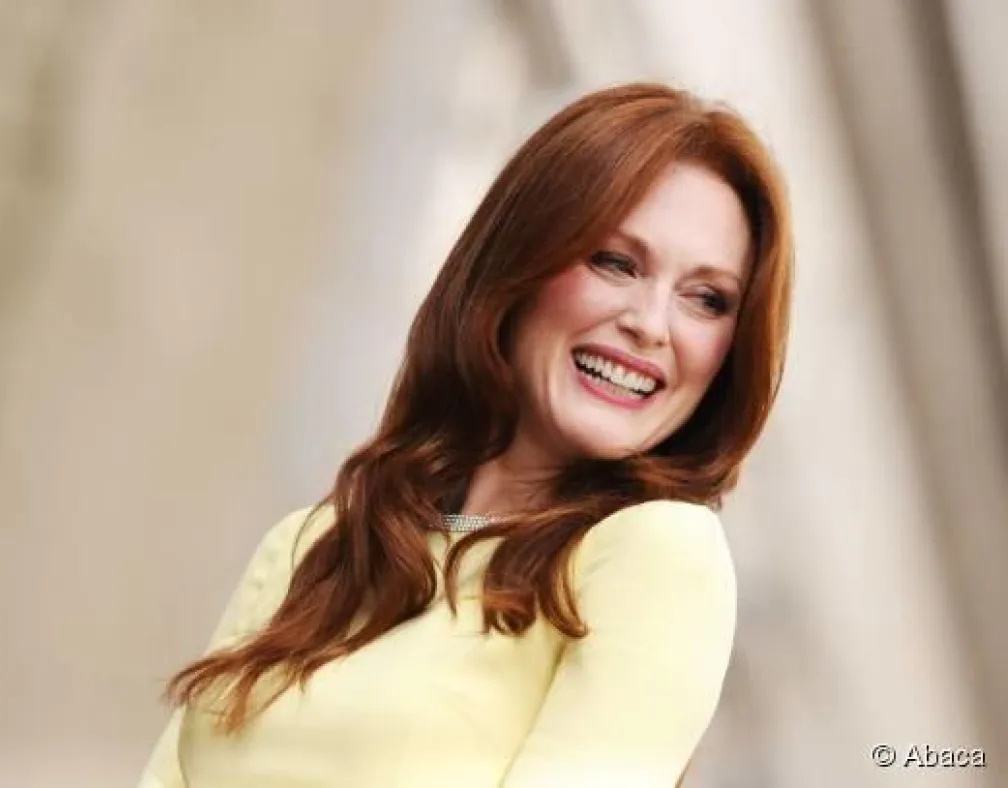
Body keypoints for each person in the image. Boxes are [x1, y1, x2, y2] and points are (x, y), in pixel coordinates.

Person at [136, 81, 793, 787]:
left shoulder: (658, 555)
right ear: (520, 262)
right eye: (615, 262)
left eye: (707, 299)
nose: (651, 324)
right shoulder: (312, 545)